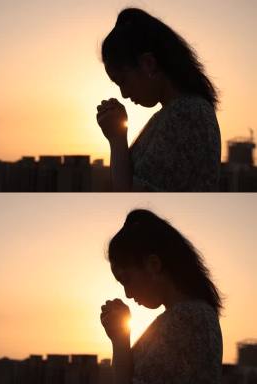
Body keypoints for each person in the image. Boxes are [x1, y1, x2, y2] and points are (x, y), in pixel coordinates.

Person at [96, 8, 221, 191]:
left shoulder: (188, 114)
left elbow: (128, 196)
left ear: (149, 64)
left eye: (122, 81)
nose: (123, 94)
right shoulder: (176, 113)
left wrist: (116, 137)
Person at [100, 209, 222, 384]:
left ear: (153, 265)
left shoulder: (187, 320)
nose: (127, 293)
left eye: (126, 279)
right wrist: (120, 336)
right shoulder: (193, 315)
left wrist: (120, 339)